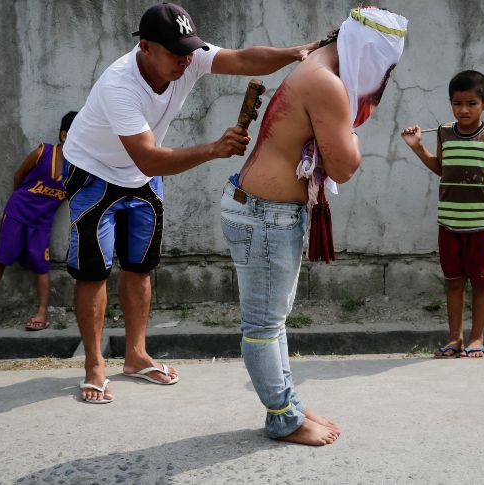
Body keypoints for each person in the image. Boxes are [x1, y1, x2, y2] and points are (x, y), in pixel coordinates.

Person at [62, 2, 319, 404]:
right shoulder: (119, 85)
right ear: (146, 48)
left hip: (143, 179)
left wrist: (294, 53)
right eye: (175, 53)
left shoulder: (189, 58)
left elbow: (243, 59)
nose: (187, 61)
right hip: (95, 175)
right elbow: (148, 156)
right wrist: (215, 149)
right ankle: (94, 363)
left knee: (140, 266)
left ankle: (135, 355)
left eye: (190, 51)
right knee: (93, 273)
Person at [221, 6, 407, 445]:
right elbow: (343, 167)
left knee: (273, 320)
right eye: (385, 64)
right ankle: (283, 418)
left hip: (265, 210)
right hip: (265, 214)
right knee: (264, 324)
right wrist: (354, 137)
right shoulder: (325, 84)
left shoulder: (318, 67)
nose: (383, 75)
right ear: (367, 51)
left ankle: (288, 404)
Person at [400, 70, 484, 359]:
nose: (463, 110)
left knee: (482, 283)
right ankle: (455, 338)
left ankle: (476, 338)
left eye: (471, 103)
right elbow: (441, 169)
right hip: (449, 225)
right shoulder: (445, 132)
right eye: (457, 104)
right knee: (454, 282)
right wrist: (418, 148)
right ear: (451, 104)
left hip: (482, 227)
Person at [0, 111, 77, 331]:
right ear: (65, 136)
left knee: (41, 264)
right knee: (2, 257)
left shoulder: (79, 168)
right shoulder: (43, 152)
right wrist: (22, 204)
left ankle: (41, 312)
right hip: (18, 213)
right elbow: (18, 176)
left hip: (42, 222)